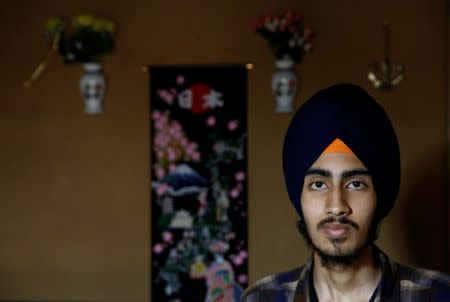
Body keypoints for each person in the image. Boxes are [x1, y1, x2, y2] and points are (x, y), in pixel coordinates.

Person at [241, 84, 449, 301]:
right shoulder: (261, 298)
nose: (337, 206)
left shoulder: (440, 295)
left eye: (355, 184)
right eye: (319, 184)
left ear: (379, 195)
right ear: (298, 196)